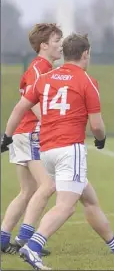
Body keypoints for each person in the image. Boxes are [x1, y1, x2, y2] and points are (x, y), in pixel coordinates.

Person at [0, 33, 114, 270]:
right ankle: (32, 247)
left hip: (46, 150)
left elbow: (20, 108)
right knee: (66, 206)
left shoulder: (45, 78)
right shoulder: (87, 81)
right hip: (69, 150)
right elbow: (96, 125)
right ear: (85, 54)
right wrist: (101, 139)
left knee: (89, 199)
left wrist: (7, 137)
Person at [1, 23, 63, 256]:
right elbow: (35, 107)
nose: (61, 46)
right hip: (30, 134)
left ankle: (3, 239)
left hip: (23, 134)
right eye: (57, 41)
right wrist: (57, 127)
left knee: (27, 190)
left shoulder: (43, 68)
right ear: (44, 45)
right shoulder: (39, 70)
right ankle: (24, 240)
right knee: (48, 186)